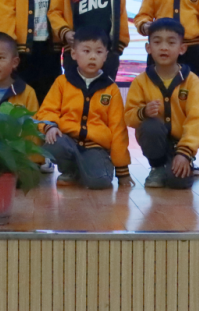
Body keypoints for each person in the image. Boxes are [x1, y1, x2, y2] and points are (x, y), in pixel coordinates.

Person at [35, 27, 132, 189]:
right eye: (86, 51)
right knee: (53, 143)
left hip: (96, 147)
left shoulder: (111, 89)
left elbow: (118, 129)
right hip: (67, 141)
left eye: (99, 52)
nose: (93, 56)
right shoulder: (62, 82)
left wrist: (122, 170)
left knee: (100, 182)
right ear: (74, 54)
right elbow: (47, 110)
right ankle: (70, 171)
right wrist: (50, 126)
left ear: (105, 56)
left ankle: (88, 169)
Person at [124, 18, 199, 189]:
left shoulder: (192, 81)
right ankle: (157, 167)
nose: (164, 47)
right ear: (148, 48)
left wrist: (185, 152)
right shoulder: (140, 82)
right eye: (157, 42)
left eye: (171, 42)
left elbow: (195, 120)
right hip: (155, 140)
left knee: (179, 184)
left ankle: (183, 161)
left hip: (180, 145)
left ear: (182, 48)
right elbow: (128, 117)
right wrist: (143, 112)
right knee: (150, 126)